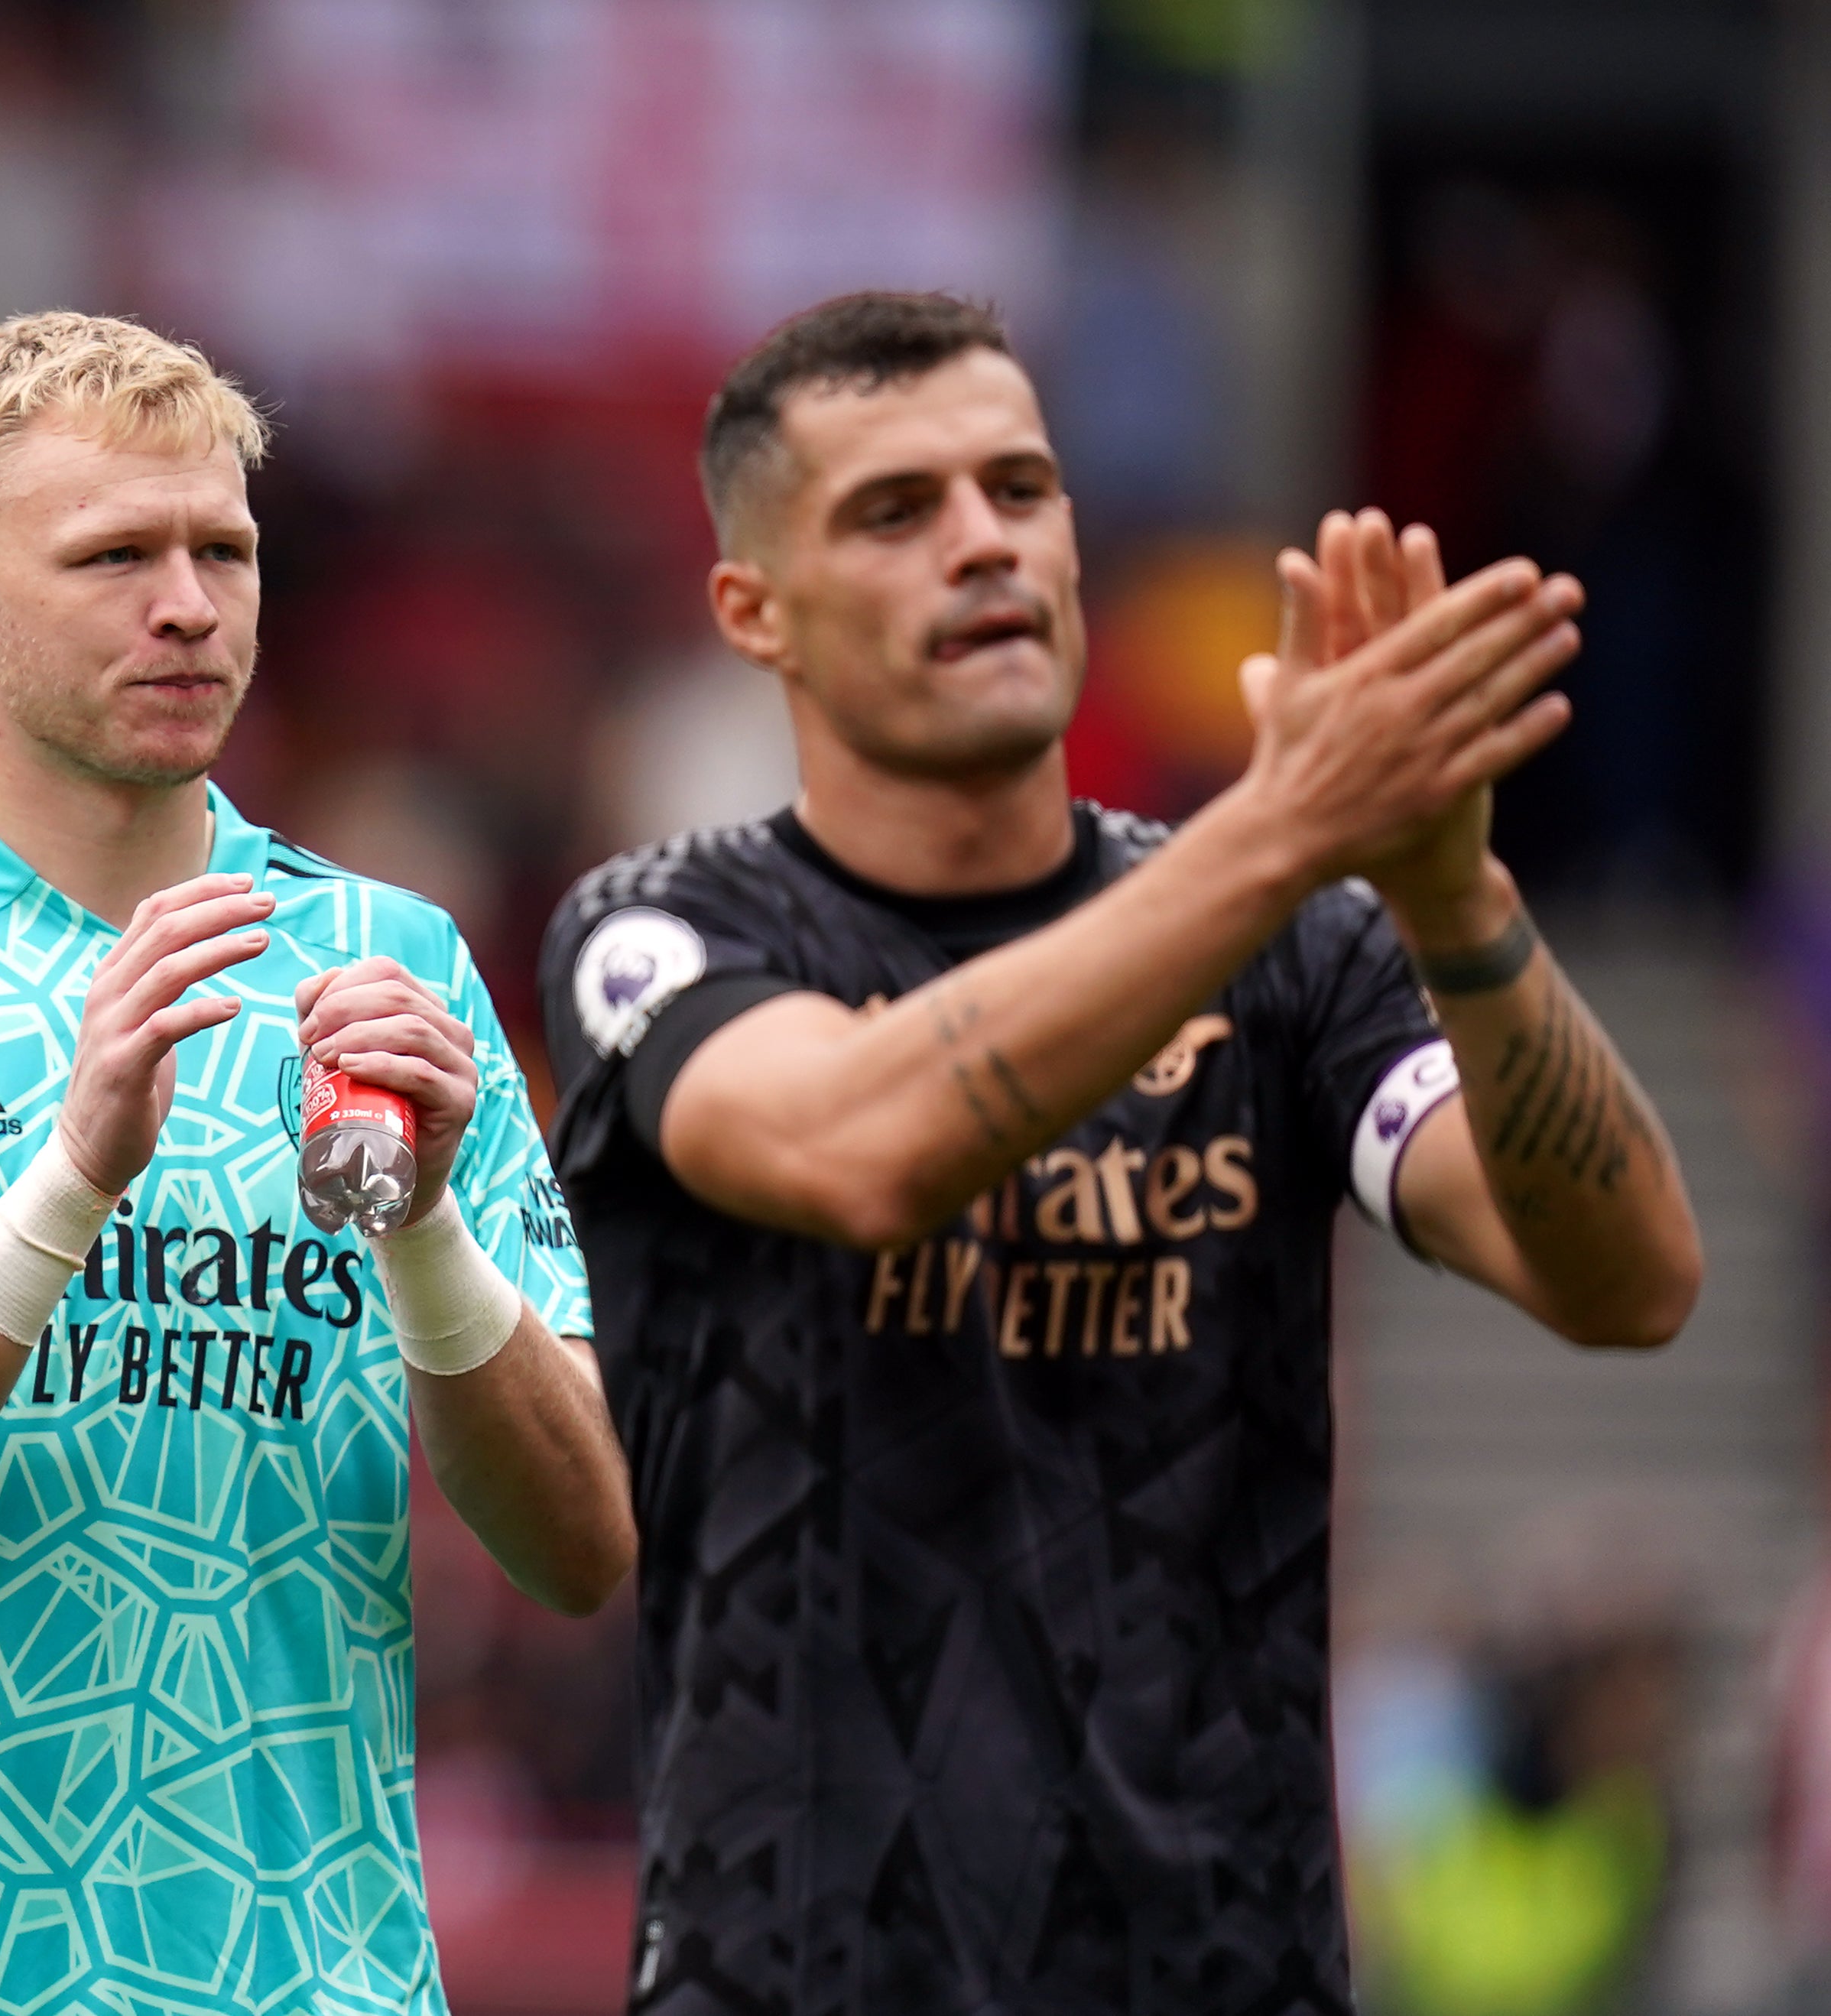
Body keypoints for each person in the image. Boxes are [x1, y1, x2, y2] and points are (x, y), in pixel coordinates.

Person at [536, 293, 1703, 2013]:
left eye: (1019, 488)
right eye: (893, 510)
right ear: (750, 610)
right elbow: (862, 1149)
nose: (980, 543)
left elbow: (1628, 1280)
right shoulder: (662, 928)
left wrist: (1452, 893)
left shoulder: (1298, 952)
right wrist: (1285, 825)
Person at [0, 310, 634, 2014]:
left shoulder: (387, 954)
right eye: (114, 554)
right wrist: (64, 1185)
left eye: (222, 550)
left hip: (320, 1977)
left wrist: (422, 1243)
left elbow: (579, 1545)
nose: (187, 601)